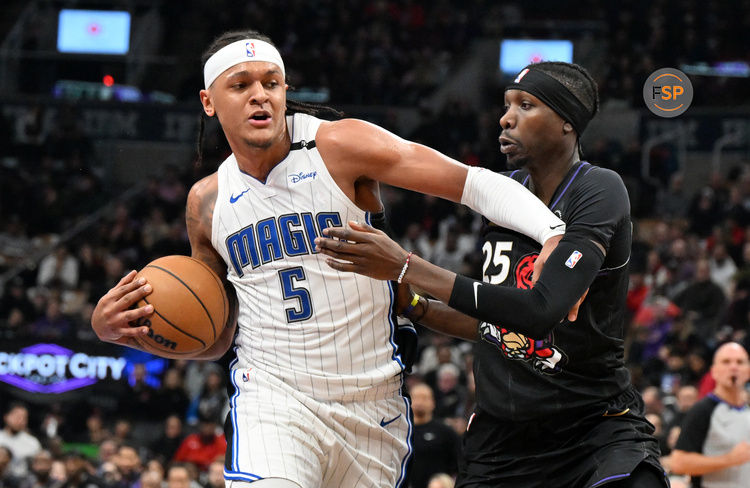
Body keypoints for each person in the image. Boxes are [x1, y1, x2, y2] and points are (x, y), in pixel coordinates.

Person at [90, 30, 569, 488]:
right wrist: (127, 331)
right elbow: (215, 334)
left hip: (371, 399)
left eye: (271, 83)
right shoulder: (207, 201)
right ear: (208, 102)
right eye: (241, 85)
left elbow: (472, 182)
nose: (261, 95)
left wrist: (551, 233)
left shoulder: (337, 145)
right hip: (272, 395)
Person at [315, 61, 667, 487]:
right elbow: (496, 324)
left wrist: (407, 265)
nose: (506, 117)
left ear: (566, 123)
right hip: (502, 440)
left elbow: (541, 312)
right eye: (506, 105)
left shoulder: (598, 189)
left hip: (591, 427)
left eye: (526, 105)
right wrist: (418, 307)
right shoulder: (503, 195)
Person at [670, 342, 750, 487]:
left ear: (748, 371)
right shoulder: (702, 410)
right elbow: (678, 462)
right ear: (714, 371)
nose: (734, 367)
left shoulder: (747, 411)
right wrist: (730, 459)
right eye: (726, 362)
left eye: (740, 362)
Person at [408, 383, 459, 488]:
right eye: (416, 397)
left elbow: (459, 465)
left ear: (433, 402)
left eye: (424, 398)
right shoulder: (402, 431)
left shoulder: (446, 432)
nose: (420, 402)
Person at [0, 403, 41, 478]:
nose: (20, 420)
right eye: (17, 416)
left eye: (24, 418)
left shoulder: (32, 443)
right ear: (6, 417)